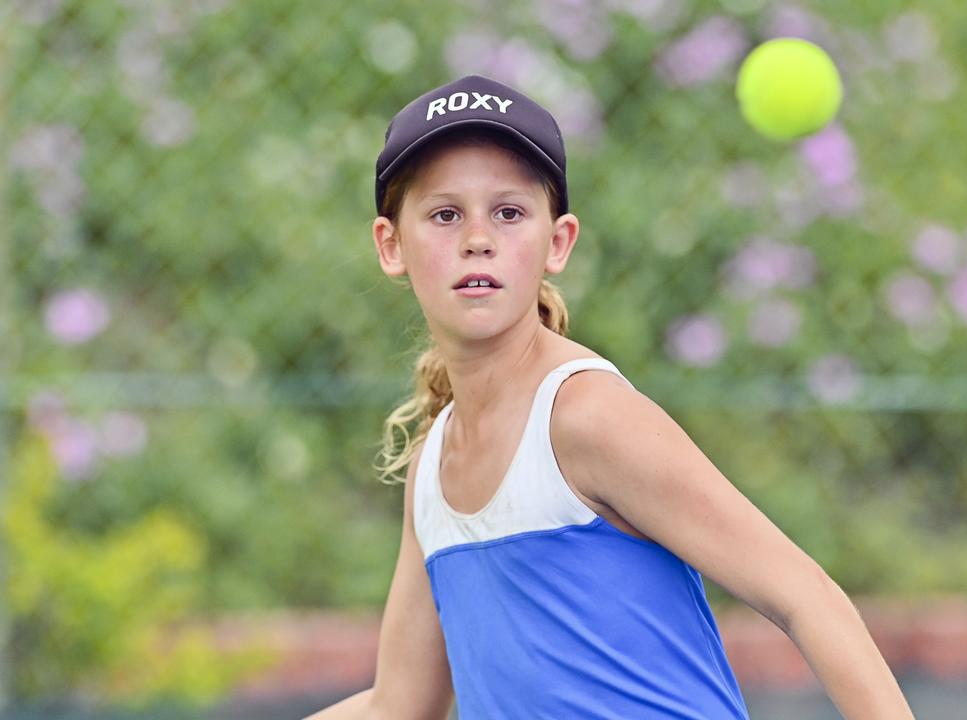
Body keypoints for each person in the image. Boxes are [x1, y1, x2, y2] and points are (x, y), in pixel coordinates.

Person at [305, 74, 915, 720]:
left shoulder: (587, 418)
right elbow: (399, 708)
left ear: (558, 242)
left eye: (509, 212)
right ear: (391, 245)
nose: (477, 238)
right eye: (445, 213)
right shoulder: (432, 468)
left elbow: (807, 596)